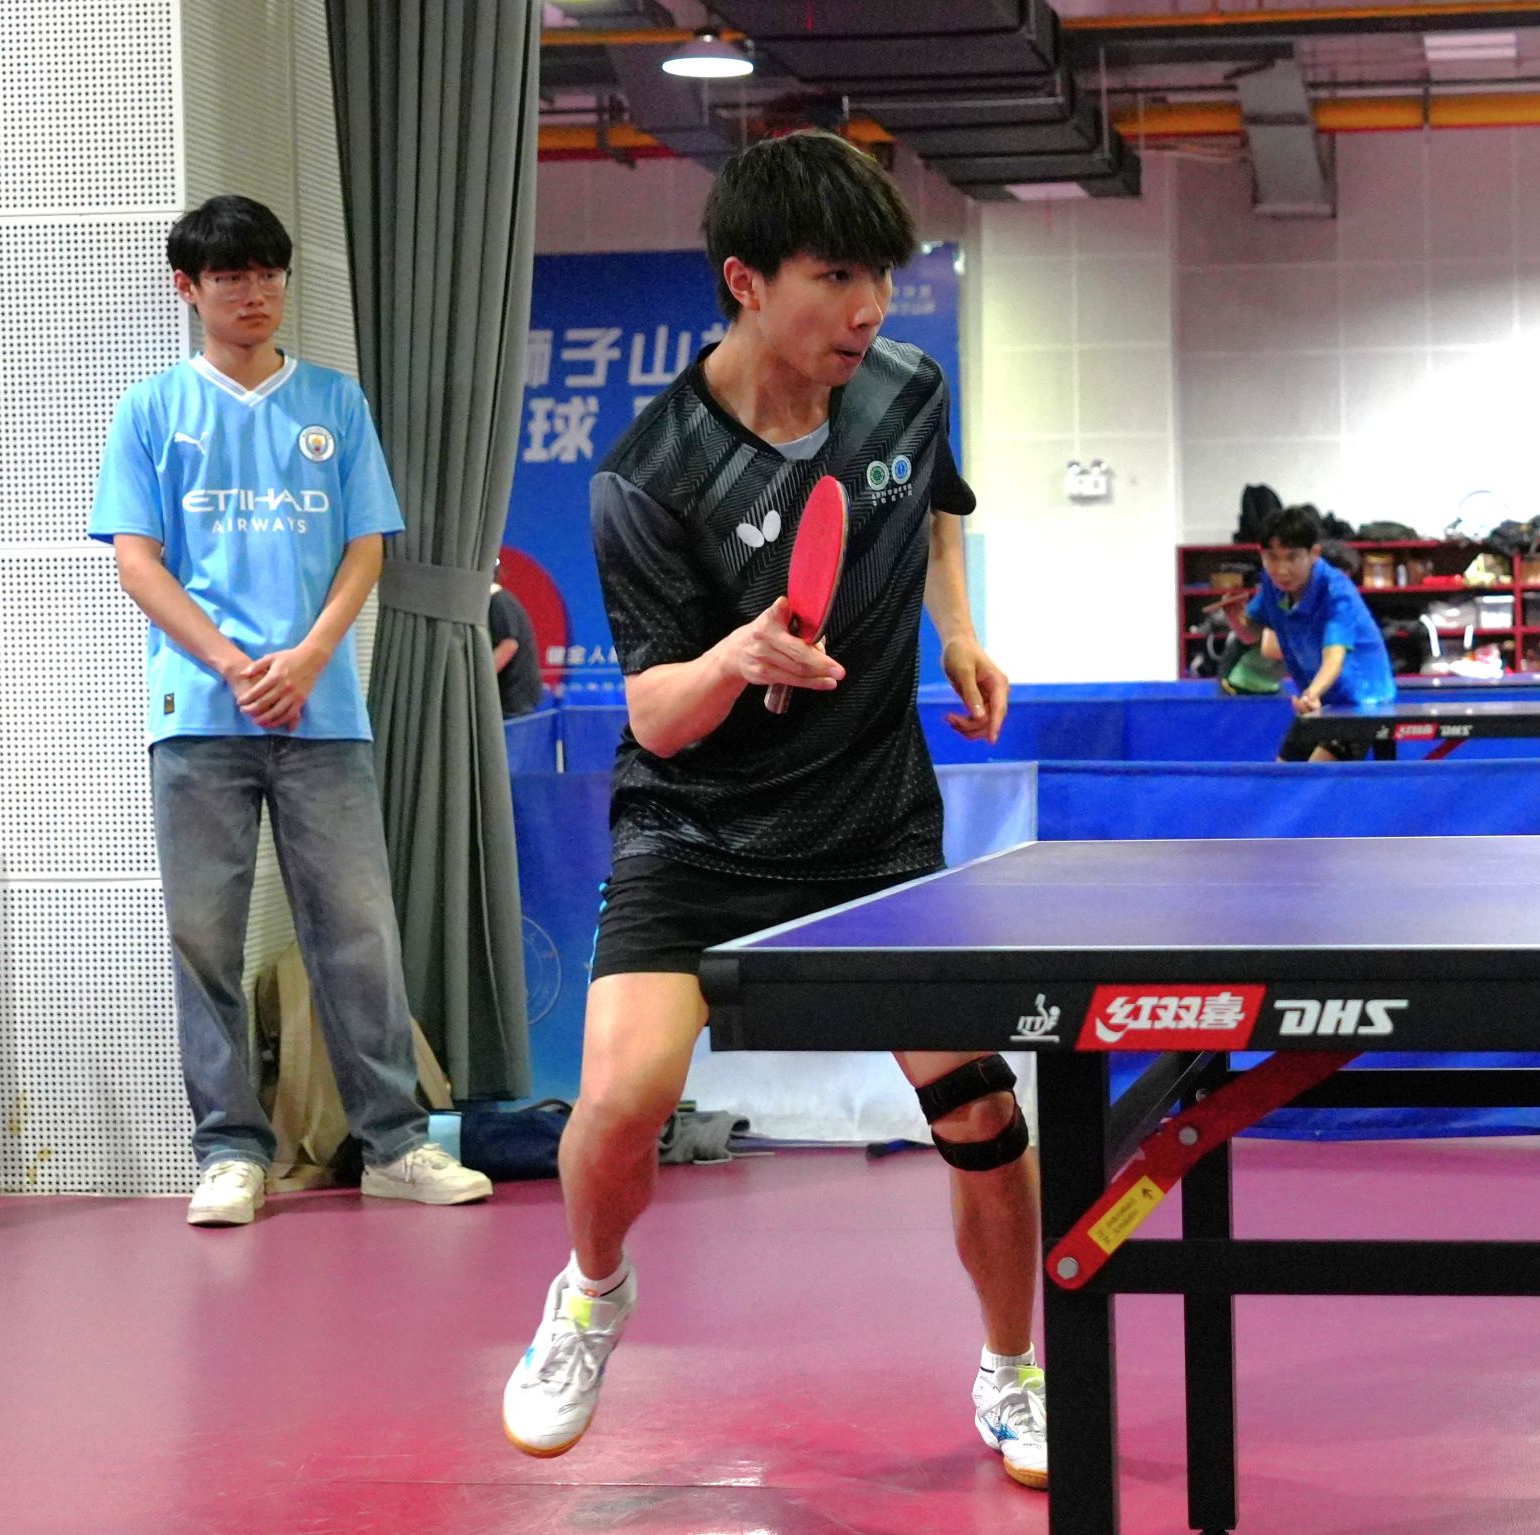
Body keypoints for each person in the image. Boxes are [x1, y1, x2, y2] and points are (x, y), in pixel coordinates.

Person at [497, 132, 1042, 1489]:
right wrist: (736, 657)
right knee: (618, 1102)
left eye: (882, 278)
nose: (869, 309)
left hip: (873, 823)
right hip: (696, 831)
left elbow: (935, 509)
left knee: (982, 1113)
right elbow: (652, 713)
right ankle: (592, 1288)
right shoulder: (650, 471)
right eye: (835, 278)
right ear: (746, 280)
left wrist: (957, 630)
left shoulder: (903, 386)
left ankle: (1012, 1366)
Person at [89, 195, 492, 1226]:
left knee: (359, 931)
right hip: (198, 714)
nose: (253, 292)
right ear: (188, 289)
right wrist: (230, 662)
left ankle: (395, 1142)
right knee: (204, 939)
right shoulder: (151, 410)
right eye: (229, 276)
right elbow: (137, 562)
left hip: (323, 713)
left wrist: (311, 656)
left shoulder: (333, 403)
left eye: (268, 273)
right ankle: (231, 1150)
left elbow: (366, 547)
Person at [1222, 505, 1396, 761]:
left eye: (1292, 557)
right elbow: (1250, 634)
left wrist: (1312, 694)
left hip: (1360, 699)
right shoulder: (1272, 585)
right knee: (1282, 776)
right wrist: (1234, 617)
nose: (1281, 569)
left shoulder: (1336, 591)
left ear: (1313, 553)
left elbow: (1334, 657)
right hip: (1319, 700)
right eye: (1272, 558)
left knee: (1314, 777)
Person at [488, 576, 545, 717]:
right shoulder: (501, 600)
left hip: (513, 702)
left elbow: (508, 645)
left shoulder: (498, 602)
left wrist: (479, 678)